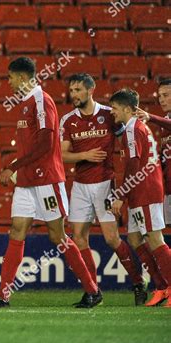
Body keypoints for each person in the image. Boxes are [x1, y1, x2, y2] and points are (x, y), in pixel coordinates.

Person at [0, 57, 101, 309]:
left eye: (10, 77)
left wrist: (12, 167)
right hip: (27, 181)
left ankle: (92, 290)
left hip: (46, 179)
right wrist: (18, 168)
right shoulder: (24, 103)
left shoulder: (41, 101)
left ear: (21, 77)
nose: (8, 82)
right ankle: (3, 295)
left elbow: (45, 144)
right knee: (17, 230)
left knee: (57, 235)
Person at [60, 74, 146, 305]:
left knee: (111, 238)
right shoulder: (68, 120)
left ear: (90, 90)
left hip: (105, 184)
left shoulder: (110, 115)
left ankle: (138, 283)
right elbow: (61, 154)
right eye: (71, 90)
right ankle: (93, 291)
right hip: (80, 185)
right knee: (78, 238)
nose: (74, 94)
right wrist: (84, 155)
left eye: (78, 90)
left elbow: (129, 136)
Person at [109, 88, 171, 308]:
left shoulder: (134, 129)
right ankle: (161, 286)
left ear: (127, 109)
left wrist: (120, 196)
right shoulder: (131, 128)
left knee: (155, 239)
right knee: (135, 239)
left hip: (145, 190)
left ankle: (169, 286)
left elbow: (134, 166)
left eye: (115, 108)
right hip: (139, 191)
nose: (112, 113)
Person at [133, 79, 171, 306]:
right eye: (160, 95)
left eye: (167, 94)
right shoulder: (163, 127)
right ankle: (163, 287)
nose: (162, 99)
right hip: (166, 192)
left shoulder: (162, 123)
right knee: (154, 237)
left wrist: (152, 117)